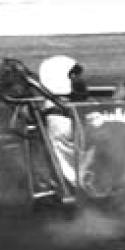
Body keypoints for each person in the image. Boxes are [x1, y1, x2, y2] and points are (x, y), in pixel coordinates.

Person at [36, 55, 88, 183]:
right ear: (59, 79)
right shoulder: (60, 119)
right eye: (74, 76)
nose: (80, 80)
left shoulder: (59, 105)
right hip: (82, 182)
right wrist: (118, 102)